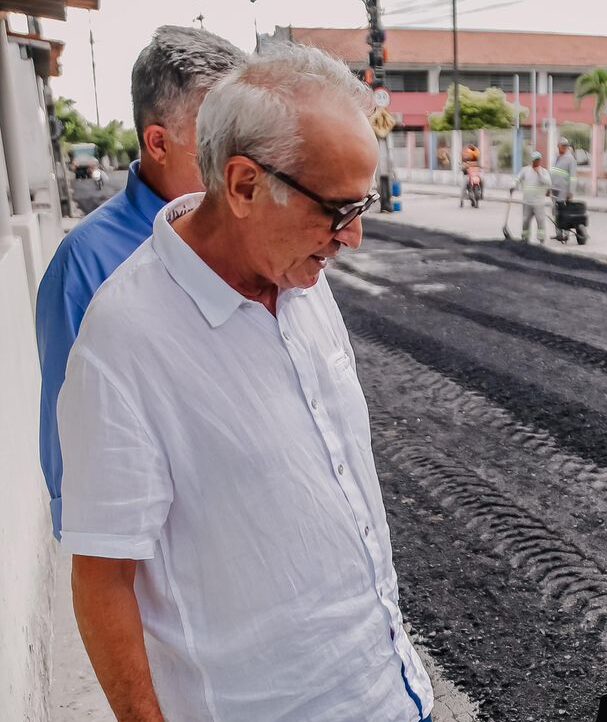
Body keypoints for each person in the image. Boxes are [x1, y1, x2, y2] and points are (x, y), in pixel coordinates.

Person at [58, 44, 432, 722]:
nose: (354, 240)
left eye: (362, 204)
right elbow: (102, 577)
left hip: (391, 691)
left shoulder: (300, 281)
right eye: (337, 210)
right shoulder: (125, 342)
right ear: (243, 184)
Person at [34, 26, 244, 542]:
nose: (245, 161)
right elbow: (73, 455)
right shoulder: (85, 265)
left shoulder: (251, 235)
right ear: (158, 142)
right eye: (220, 141)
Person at [511, 151, 552, 243]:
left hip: (539, 203)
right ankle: (525, 238)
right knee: (525, 221)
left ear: (540, 160)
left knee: (540, 221)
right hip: (527, 202)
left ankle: (541, 239)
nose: (535, 162)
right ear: (531, 160)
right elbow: (517, 179)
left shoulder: (544, 172)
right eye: (534, 160)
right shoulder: (525, 170)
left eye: (537, 160)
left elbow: (548, 183)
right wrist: (513, 185)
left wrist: (539, 173)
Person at [550, 137, 577, 241]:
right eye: (561, 146)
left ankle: (566, 234)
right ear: (558, 146)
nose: (563, 148)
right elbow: (552, 172)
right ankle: (558, 233)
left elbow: (573, 177)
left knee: (564, 213)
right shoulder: (556, 157)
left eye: (565, 146)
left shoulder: (570, 159)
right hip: (554, 190)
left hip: (564, 191)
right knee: (556, 213)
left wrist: (571, 192)